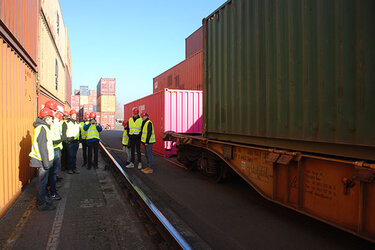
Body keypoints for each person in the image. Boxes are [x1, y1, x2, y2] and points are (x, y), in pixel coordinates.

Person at [29, 108, 56, 211]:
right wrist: (46, 163)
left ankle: (43, 202)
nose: (52, 121)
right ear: (46, 118)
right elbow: (42, 147)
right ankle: (41, 204)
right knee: (42, 183)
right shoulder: (43, 128)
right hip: (42, 161)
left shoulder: (41, 128)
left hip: (42, 161)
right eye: (51, 119)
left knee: (43, 183)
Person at [44, 101, 63, 200]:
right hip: (50, 150)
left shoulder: (55, 120)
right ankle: (51, 192)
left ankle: (52, 189)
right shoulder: (46, 122)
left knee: (54, 172)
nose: (54, 112)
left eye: (55, 110)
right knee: (50, 172)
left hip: (56, 149)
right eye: (53, 110)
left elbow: (58, 133)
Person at [63, 109, 80, 174]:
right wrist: (66, 141)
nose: (74, 116)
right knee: (70, 156)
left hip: (75, 141)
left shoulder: (77, 123)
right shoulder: (66, 122)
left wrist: (79, 140)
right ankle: (69, 169)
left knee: (74, 156)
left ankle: (74, 168)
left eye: (75, 115)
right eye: (73, 115)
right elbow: (64, 132)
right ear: (70, 115)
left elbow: (78, 132)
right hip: (69, 141)